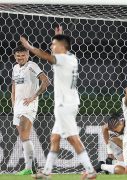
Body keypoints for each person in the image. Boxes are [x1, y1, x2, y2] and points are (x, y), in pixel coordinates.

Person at [20, 26, 96, 179]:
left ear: (62, 46)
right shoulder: (71, 57)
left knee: (73, 138)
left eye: (54, 44)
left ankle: (90, 171)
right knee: (55, 138)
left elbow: (47, 56)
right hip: (68, 104)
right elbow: (54, 55)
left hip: (65, 105)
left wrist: (29, 47)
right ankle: (46, 173)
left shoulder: (62, 59)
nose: (51, 46)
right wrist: (59, 36)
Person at [11, 45, 49, 175]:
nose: (20, 57)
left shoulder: (32, 65)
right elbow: (14, 87)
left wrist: (33, 97)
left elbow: (45, 81)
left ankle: (28, 168)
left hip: (29, 105)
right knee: (23, 137)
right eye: (18, 55)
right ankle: (31, 168)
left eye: (23, 55)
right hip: (17, 106)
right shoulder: (15, 68)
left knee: (25, 135)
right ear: (15, 56)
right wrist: (13, 104)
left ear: (28, 55)